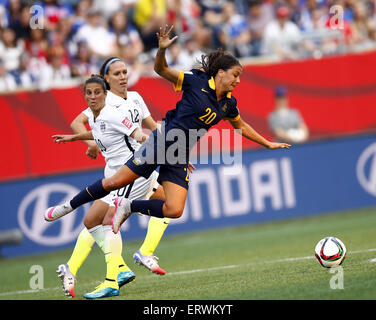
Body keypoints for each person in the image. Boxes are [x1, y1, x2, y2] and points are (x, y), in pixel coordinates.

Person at [45, 24, 290, 244]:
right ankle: (65, 207)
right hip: (162, 142)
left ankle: (128, 206)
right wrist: (161, 50)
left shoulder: (228, 103)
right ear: (221, 72)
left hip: (179, 151)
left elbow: (241, 126)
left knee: (174, 209)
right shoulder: (196, 80)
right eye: (235, 75)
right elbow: (161, 69)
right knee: (114, 183)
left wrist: (267, 143)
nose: (238, 81)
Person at [49, 57, 174, 299]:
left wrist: (172, 151)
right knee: (95, 220)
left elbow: (151, 130)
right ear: (106, 79)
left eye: (125, 72)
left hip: (136, 167)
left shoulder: (136, 97)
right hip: (120, 171)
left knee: (167, 205)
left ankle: (115, 270)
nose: (123, 76)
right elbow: (83, 122)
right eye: (116, 73)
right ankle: (114, 269)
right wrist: (90, 143)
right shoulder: (105, 101)